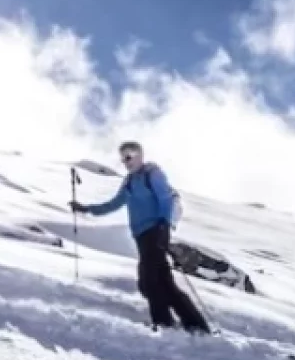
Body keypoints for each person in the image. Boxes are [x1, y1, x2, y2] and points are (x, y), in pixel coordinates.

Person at [71, 141, 211, 334]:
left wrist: (164, 226)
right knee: (163, 283)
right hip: (141, 237)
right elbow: (113, 204)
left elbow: (165, 199)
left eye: (128, 156)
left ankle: (164, 323)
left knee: (150, 281)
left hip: (155, 232)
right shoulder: (129, 182)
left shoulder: (152, 174)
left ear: (139, 156)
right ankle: (195, 325)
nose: (126, 162)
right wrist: (86, 209)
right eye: (123, 158)